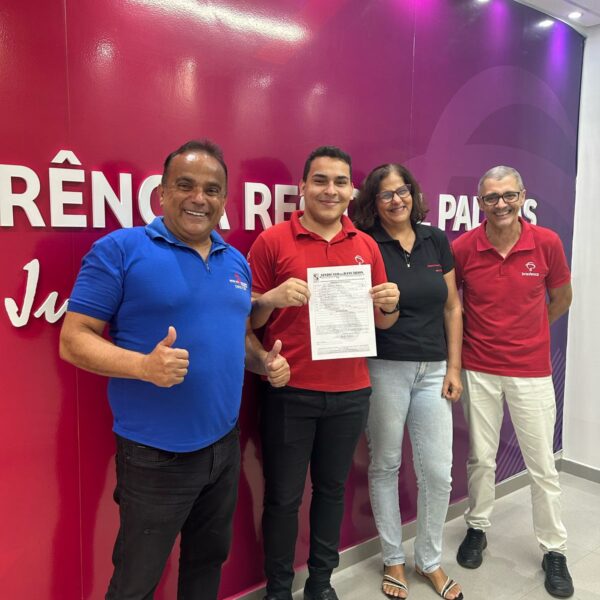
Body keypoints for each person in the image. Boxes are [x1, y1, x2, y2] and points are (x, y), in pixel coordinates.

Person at [59, 139, 290, 600]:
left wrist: (263, 362)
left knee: (206, 566)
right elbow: (73, 339)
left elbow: (239, 339)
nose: (198, 198)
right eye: (185, 185)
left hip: (223, 448)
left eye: (211, 189)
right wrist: (144, 366)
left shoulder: (235, 262)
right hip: (154, 456)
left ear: (224, 200)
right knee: (136, 581)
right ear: (162, 192)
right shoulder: (120, 250)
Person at [247, 146, 400, 600]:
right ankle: (278, 590)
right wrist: (271, 299)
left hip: (351, 392)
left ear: (352, 191)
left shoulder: (366, 245)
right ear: (303, 187)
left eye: (340, 182)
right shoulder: (273, 240)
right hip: (289, 391)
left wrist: (390, 304)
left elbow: (383, 322)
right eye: (320, 180)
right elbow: (247, 319)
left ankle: (320, 583)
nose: (330, 190)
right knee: (283, 497)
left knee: (332, 492)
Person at [453, 166, 574, 598]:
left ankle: (554, 549)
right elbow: (452, 305)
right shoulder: (464, 247)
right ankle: (477, 527)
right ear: (479, 202)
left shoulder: (547, 243)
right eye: (491, 197)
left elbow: (562, 297)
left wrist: (530, 333)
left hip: (531, 370)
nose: (500, 204)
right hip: (478, 368)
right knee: (481, 459)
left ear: (522, 196)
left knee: (542, 466)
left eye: (508, 195)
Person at [353, 164, 464, 600]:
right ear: (373, 202)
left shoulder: (435, 239)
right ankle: (393, 558)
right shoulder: (366, 243)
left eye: (402, 191)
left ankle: (430, 560)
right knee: (385, 465)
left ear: (413, 194)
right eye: (385, 194)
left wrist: (453, 367)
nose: (396, 200)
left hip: (434, 368)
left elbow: (452, 307)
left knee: (438, 472)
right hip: (385, 367)